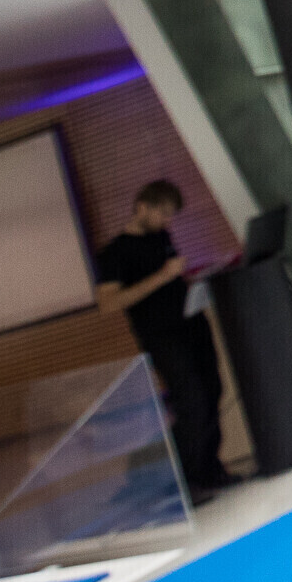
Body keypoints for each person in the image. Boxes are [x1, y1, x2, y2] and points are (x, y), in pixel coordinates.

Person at [95, 178, 236, 499]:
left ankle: (208, 470)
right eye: (162, 213)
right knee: (191, 401)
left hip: (191, 323)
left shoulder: (162, 237)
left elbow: (172, 280)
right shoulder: (114, 253)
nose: (167, 221)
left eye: (171, 215)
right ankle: (178, 482)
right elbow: (109, 303)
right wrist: (162, 276)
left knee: (212, 391)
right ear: (142, 207)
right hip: (161, 336)